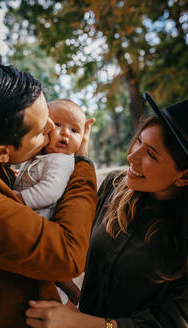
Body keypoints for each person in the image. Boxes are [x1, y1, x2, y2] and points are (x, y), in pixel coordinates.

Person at [0, 64, 97, 328]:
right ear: (1, 153)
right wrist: (79, 162)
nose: (51, 129)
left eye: (47, 115)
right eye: (39, 132)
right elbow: (67, 255)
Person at [25, 93, 188, 328]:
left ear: (184, 176)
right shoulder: (113, 185)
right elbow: (70, 234)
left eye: (151, 154)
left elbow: (167, 323)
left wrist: (82, 322)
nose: (132, 156)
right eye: (139, 141)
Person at [14, 99, 86, 305]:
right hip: (33, 224)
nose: (65, 133)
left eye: (74, 130)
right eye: (57, 125)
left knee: (44, 274)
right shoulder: (41, 157)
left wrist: (21, 197)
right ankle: (69, 288)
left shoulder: (61, 160)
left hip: (42, 225)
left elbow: (51, 190)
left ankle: (64, 298)